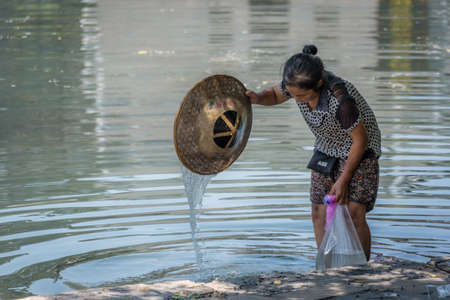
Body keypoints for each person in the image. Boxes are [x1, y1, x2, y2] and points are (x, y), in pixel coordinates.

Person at [245, 45, 381, 261]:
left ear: (318, 84)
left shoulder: (340, 100)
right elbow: (273, 94)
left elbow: (360, 140)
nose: (296, 99)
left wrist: (344, 180)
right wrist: (257, 97)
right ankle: (325, 263)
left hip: (359, 150)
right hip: (326, 147)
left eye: (302, 95)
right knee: (318, 210)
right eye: (292, 94)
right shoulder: (295, 86)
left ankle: (360, 269)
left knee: (354, 212)